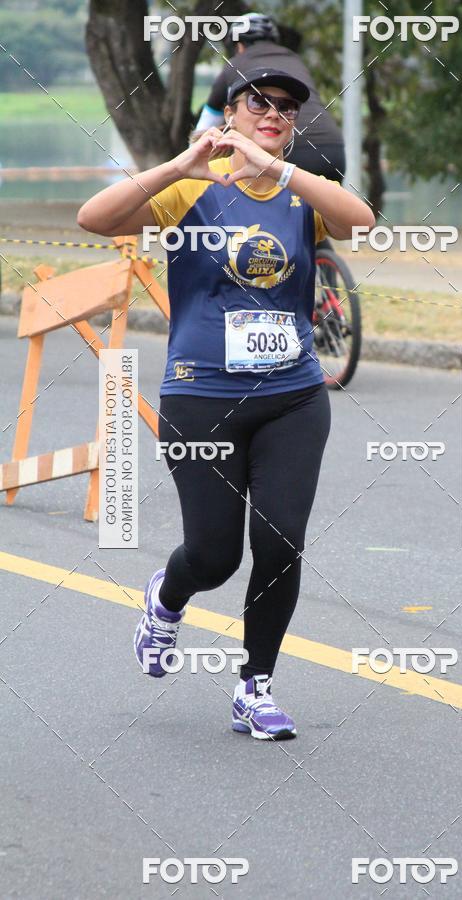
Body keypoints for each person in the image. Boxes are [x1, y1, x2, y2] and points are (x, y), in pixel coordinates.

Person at [77, 69, 374, 741]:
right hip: (200, 398)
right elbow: (93, 219)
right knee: (215, 558)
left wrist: (281, 170)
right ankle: (167, 597)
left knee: (280, 542)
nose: (273, 113)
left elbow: (361, 221)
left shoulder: (303, 193)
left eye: (286, 107)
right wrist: (179, 164)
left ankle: (254, 687)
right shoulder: (192, 187)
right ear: (231, 114)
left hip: (293, 398)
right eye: (258, 102)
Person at [193, 12, 346, 183]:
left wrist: (191, 158)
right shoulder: (295, 59)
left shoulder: (235, 62)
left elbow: (207, 122)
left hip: (290, 151)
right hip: (333, 150)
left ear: (239, 46)